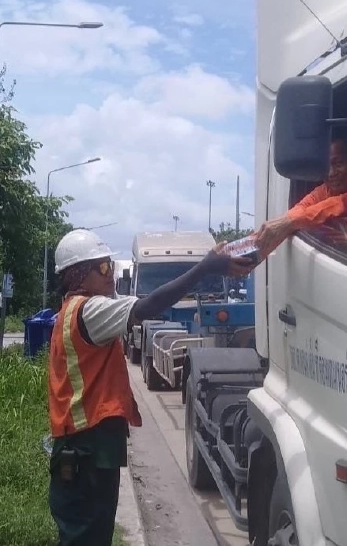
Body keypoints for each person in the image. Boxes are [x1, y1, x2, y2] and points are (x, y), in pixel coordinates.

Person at [47, 228, 252, 545]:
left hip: (83, 451)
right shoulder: (90, 310)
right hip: (87, 451)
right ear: (78, 275)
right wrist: (206, 267)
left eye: (111, 267)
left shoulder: (73, 311)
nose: (110, 275)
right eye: (102, 268)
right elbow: (147, 306)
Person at [254, 130, 347, 257]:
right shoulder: (323, 191)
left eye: (339, 164)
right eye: (325, 166)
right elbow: (298, 211)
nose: (331, 173)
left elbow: (338, 204)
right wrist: (236, 252)